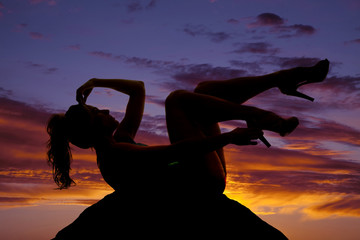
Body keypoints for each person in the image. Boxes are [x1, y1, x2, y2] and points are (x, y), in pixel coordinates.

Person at [46, 59, 329, 197]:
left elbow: (137, 89)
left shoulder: (120, 138)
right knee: (177, 100)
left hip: (200, 174)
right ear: (94, 130)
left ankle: (282, 79)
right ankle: (264, 116)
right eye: (99, 112)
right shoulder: (116, 154)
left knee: (203, 91)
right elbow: (177, 151)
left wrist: (96, 80)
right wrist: (229, 137)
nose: (107, 110)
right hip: (201, 185)